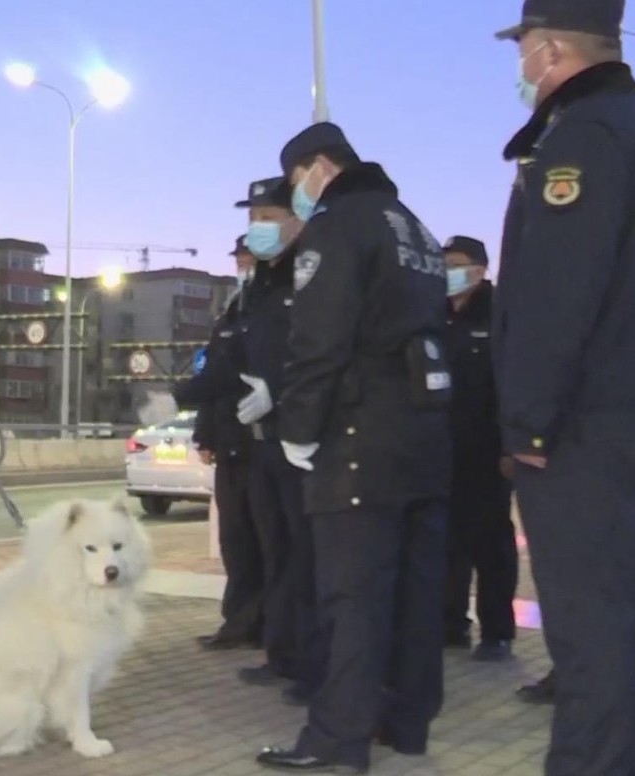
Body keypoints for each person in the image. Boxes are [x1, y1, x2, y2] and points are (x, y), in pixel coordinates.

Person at [493, 0, 635, 772]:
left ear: (547, 50)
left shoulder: (583, 136)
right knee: (611, 621)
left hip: (580, 430)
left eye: (523, 54)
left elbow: (556, 294)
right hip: (623, 418)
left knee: (586, 630)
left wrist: (529, 425)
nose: (521, 70)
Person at [256, 123, 452, 774]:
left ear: (316, 168)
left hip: (359, 434)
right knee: (415, 592)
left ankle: (337, 738)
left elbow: (320, 337)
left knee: (353, 596)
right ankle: (407, 721)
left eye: (294, 183)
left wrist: (298, 431)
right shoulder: (412, 224)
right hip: (423, 431)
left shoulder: (339, 224)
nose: (297, 196)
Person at [229, 178, 322, 709]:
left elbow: (321, 353)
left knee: (309, 557)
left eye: (266, 216)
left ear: (296, 218)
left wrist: (281, 394)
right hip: (265, 441)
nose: (256, 228)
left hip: (303, 439)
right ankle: (283, 653)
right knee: (279, 554)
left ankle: (313, 664)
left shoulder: (312, 270)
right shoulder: (263, 281)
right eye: (252, 217)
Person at [172, 234, 265, 651]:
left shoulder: (272, 307)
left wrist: (177, 396)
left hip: (263, 444)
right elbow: (212, 378)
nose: (243, 265)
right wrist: (204, 434)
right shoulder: (230, 312)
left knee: (268, 544)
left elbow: (226, 377)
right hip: (230, 444)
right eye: (239, 259)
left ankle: (270, 627)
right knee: (236, 541)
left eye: (249, 258)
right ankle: (238, 623)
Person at [441, 236, 517, 662]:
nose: (449, 271)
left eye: (457, 263)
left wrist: (511, 445)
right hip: (441, 450)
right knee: (444, 545)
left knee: (491, 547)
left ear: (480, 268)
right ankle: (450, 625)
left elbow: (512, 385)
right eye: (444, 263)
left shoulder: (501, 312)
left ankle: (497, 631)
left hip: (487, 453)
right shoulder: (434, 315)